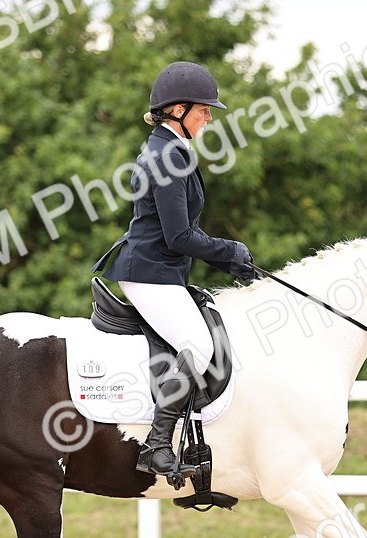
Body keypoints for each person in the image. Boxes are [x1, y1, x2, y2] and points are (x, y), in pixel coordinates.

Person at [92, 61, 255, 481]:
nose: (210, 116)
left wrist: (227, 259)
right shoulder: (168, 157)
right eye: (204, 109)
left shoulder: (170, 150)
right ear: (179, 109)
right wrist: (231, 251)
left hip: (158, 269)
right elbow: (180, 236)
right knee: (199, 346)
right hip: (149, 272)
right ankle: (157, 445)